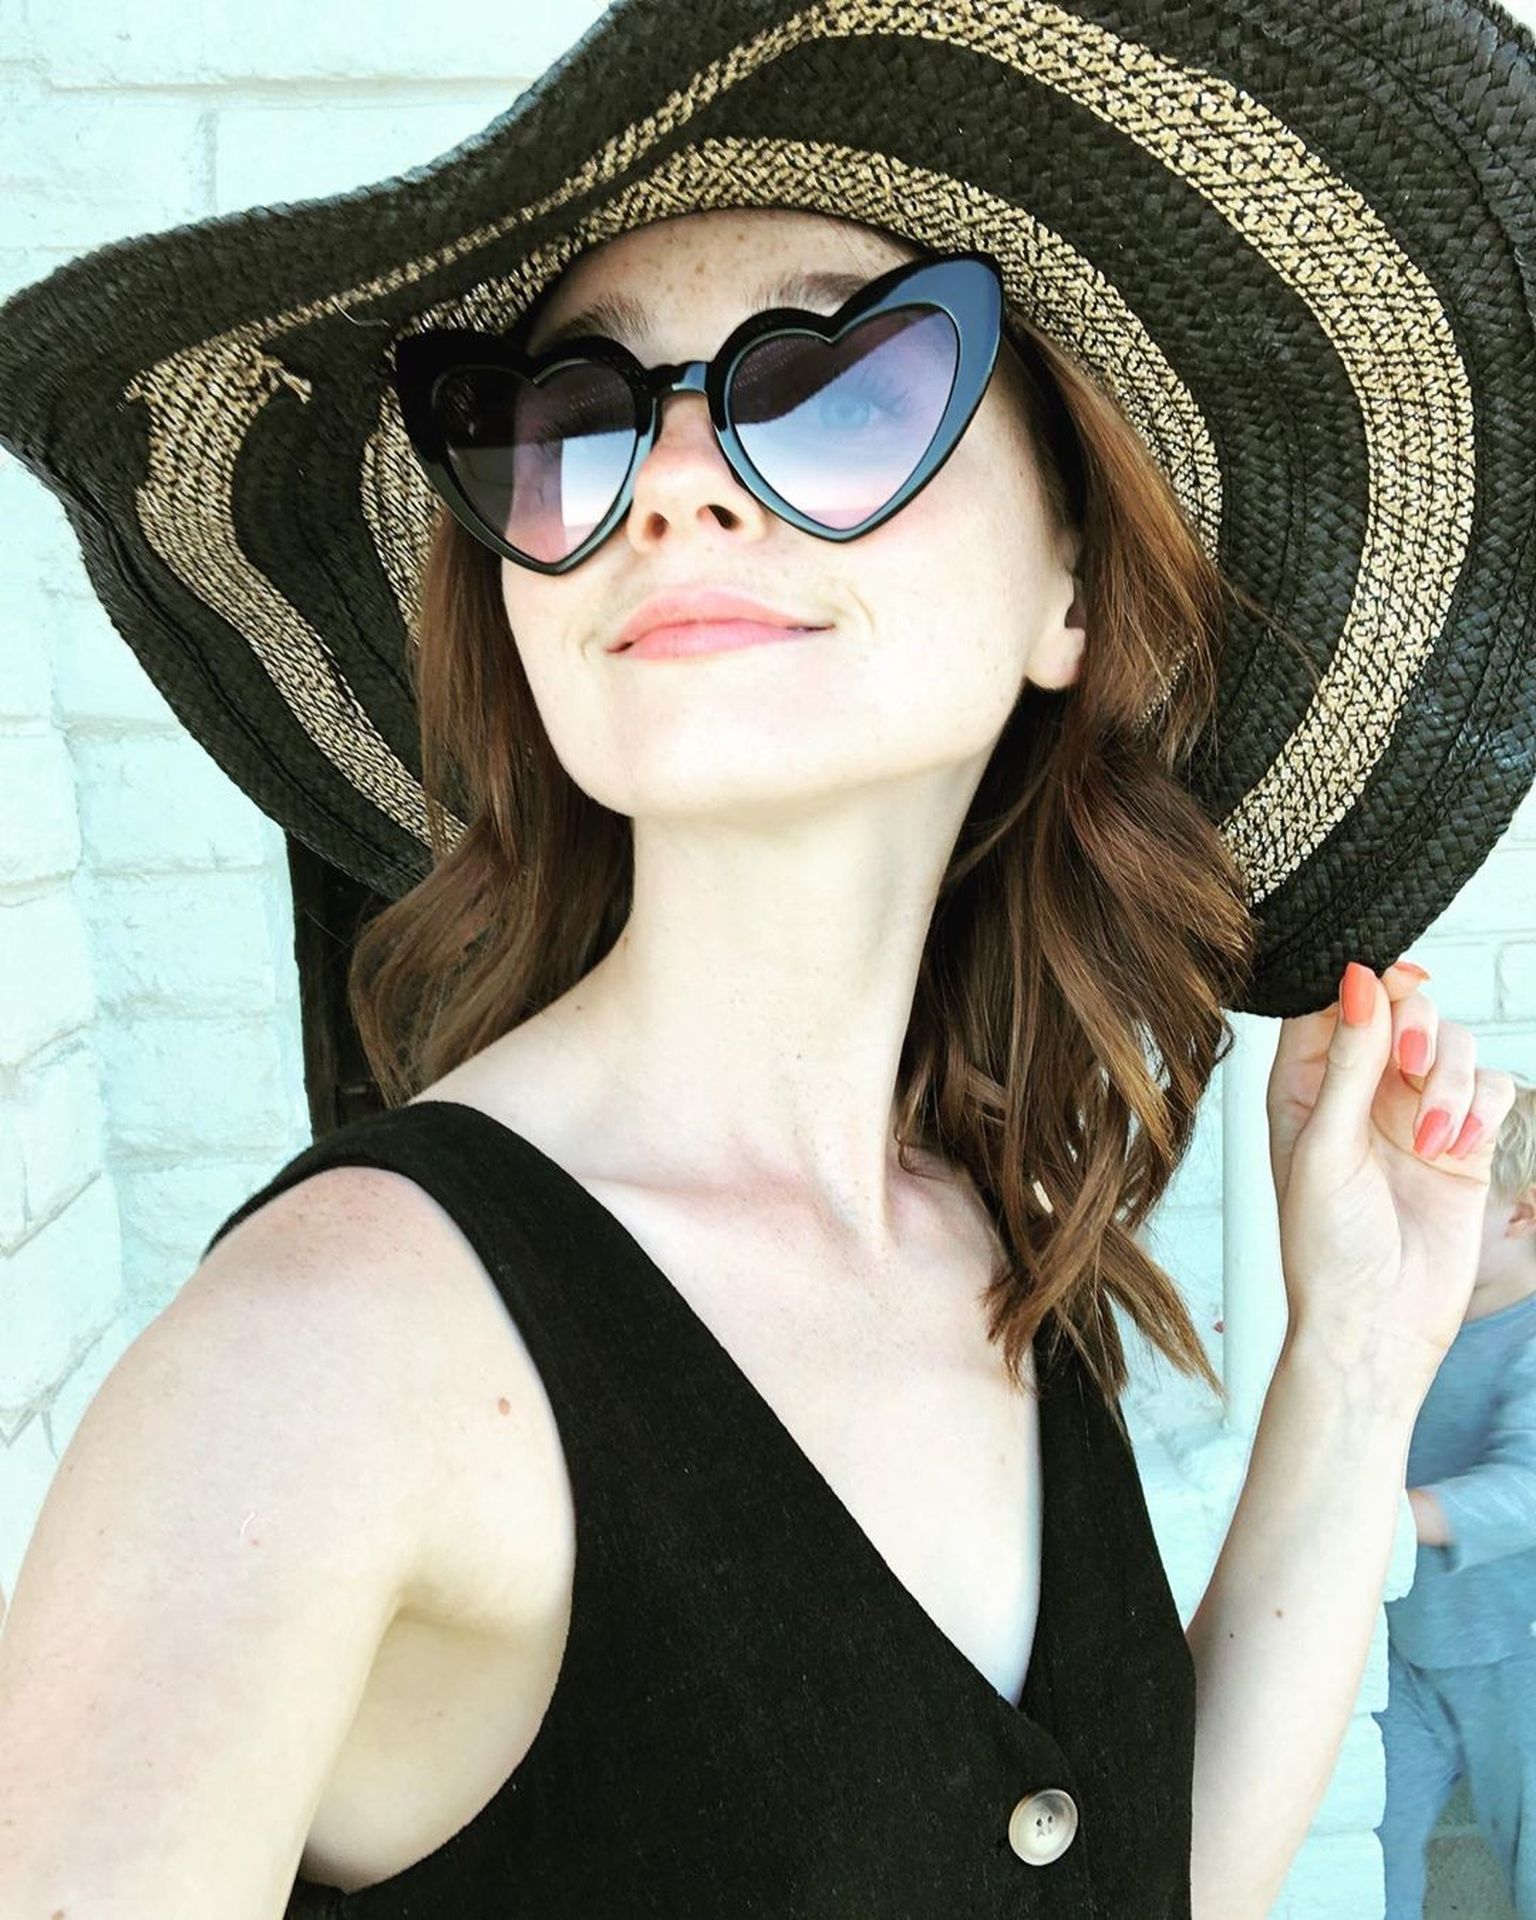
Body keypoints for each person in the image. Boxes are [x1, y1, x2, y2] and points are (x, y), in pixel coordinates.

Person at [0, 4, 1531, 1917]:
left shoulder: (992, 1227)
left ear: (1070, 587)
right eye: (573, 424)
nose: (669, 484)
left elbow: (1148, 1886)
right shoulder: (323, 1361)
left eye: (836, 388)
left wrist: (1361, 1360)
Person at [1374, 1071, 1536, 1919]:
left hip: (1518, 1661)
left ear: (1522, 1215)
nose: (1419, 1220)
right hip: (1412, 1653)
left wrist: (1408, 1515)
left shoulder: (1528, 1342)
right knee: (1369, 1849)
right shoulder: (1417, 1317)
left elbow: (1528, 1488)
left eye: (1453, 1200)